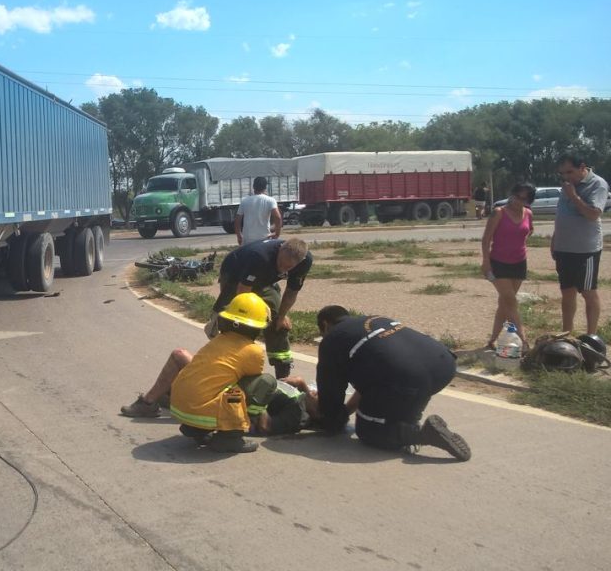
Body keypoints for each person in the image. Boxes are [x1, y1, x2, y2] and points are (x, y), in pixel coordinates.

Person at [314, 305, 472, 461]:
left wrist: (331, 421)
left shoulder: (333, 339)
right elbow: (369, 383)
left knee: (369, 430)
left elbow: (330, 393)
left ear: (326, 325)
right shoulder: (376, 319)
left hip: (407, 379)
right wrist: (347, 411)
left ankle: (422, 434)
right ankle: (408, 420)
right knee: (394, 388)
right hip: (444, 366)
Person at [120, 293, 274, 453]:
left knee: (215, 386)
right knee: (266, 382)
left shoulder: (218, 340)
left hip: (180, 407)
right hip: (202, 411)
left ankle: (198, 429)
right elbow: (250, 382)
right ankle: (230, 436)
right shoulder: (254, 351)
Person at [120, 346, 321, 437]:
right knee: (181, 358)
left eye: (319, 396)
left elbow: (266, 426)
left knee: (179, 356)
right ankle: (165, 397)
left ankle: (149, 403)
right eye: (317, 392)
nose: (316, 393)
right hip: (233, 386)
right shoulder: (300, 396)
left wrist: (261, 398)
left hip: (230, 397)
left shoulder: (298, 416)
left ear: (318, 414)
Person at [203, 238, 312, 379]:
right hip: (236, 277)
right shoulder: (260, 256)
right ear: (279, 250)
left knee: (279, 323)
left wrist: (281, 316)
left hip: (265, 281)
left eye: (288, 268)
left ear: (300, 261)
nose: (282, 268)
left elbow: (292, 292)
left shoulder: (305, 261)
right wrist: (255, 315)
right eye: (280, 263)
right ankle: (227, 366)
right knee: (234, 321)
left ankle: (283, 373)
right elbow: (243, 293)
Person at [551, 155, 609, 335]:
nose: (567, 177)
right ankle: (567, 334)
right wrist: (554, 240)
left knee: (587, 292)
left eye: (570, 171)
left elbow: (593, 215)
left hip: (585, 249)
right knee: (567, 292)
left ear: (582, 167)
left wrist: (574, 196)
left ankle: (591, 336)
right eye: (563, 174)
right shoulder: (568, 186)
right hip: (564, 247)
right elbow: (561, 215)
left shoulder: (597, 184)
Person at [481, 183, 536, 350]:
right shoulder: (499, 213)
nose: (518, 200)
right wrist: (486, 262)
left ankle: (492, 339)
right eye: (516, 195)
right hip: (498, 263)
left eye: (523, 198)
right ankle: (523, 340)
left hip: (519, 263)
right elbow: (486, 239)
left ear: (529, 200)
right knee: (511, 301)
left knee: (504, 304)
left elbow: (529, 230)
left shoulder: (528, 213)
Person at [234, 176, 282, 245]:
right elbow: (278, 217)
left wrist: (239, 236)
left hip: (247, 240)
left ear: (253, 187)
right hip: (264, 239)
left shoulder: (245, 201)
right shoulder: (270, 200)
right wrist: (277, 233)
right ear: (265, 187)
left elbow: (237, 220)